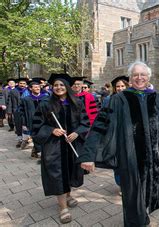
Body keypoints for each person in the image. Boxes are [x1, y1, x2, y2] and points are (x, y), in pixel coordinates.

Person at [78, 61, 159, 226]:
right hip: (130, 157)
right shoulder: (118, 100)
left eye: (143, 75)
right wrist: (88, 155)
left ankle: (144, 214)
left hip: (155, 158)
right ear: (130, 78)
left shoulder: (158, 99)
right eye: (135, 75)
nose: (139, 78)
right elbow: (100, 125)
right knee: (132, 197)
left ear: (148, 77)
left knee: (150, 191)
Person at [32, 73, 90, 224]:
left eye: (62, 85)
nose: (58, 87)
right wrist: (51, 130)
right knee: (57, 174)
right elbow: (36, 126)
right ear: (52, 87)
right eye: (56, 85)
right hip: (54, 147)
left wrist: (77, 133)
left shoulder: (77, 103)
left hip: (72, 146)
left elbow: (85, 123)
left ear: (67, 87)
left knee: (70, 172)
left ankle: (68, 195)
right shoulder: (46, 104)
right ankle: (63, 207)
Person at [19, 79, 49, 156]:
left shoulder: (46, 98)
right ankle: (37, 150)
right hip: (31, 121)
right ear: (30, 88)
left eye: (38, 87)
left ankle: (38, 151)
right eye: (35, 87)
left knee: (44, 136)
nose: (38, 88)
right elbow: (21, 112)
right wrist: (24, 123)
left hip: (44, 121)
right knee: (35, 137)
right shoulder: (25, 99)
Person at [9, 78, 29, 148]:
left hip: (26, 111)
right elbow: (10, 102)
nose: (22, 85)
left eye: (24, 83)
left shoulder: (28, 91)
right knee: (18, 126)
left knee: (25, 125)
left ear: (26, 84)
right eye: (21, 83)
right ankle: (20, 140)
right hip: (16, 111)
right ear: (18, 84)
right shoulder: (13, 91)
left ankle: (26, 140)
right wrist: (9, 111)